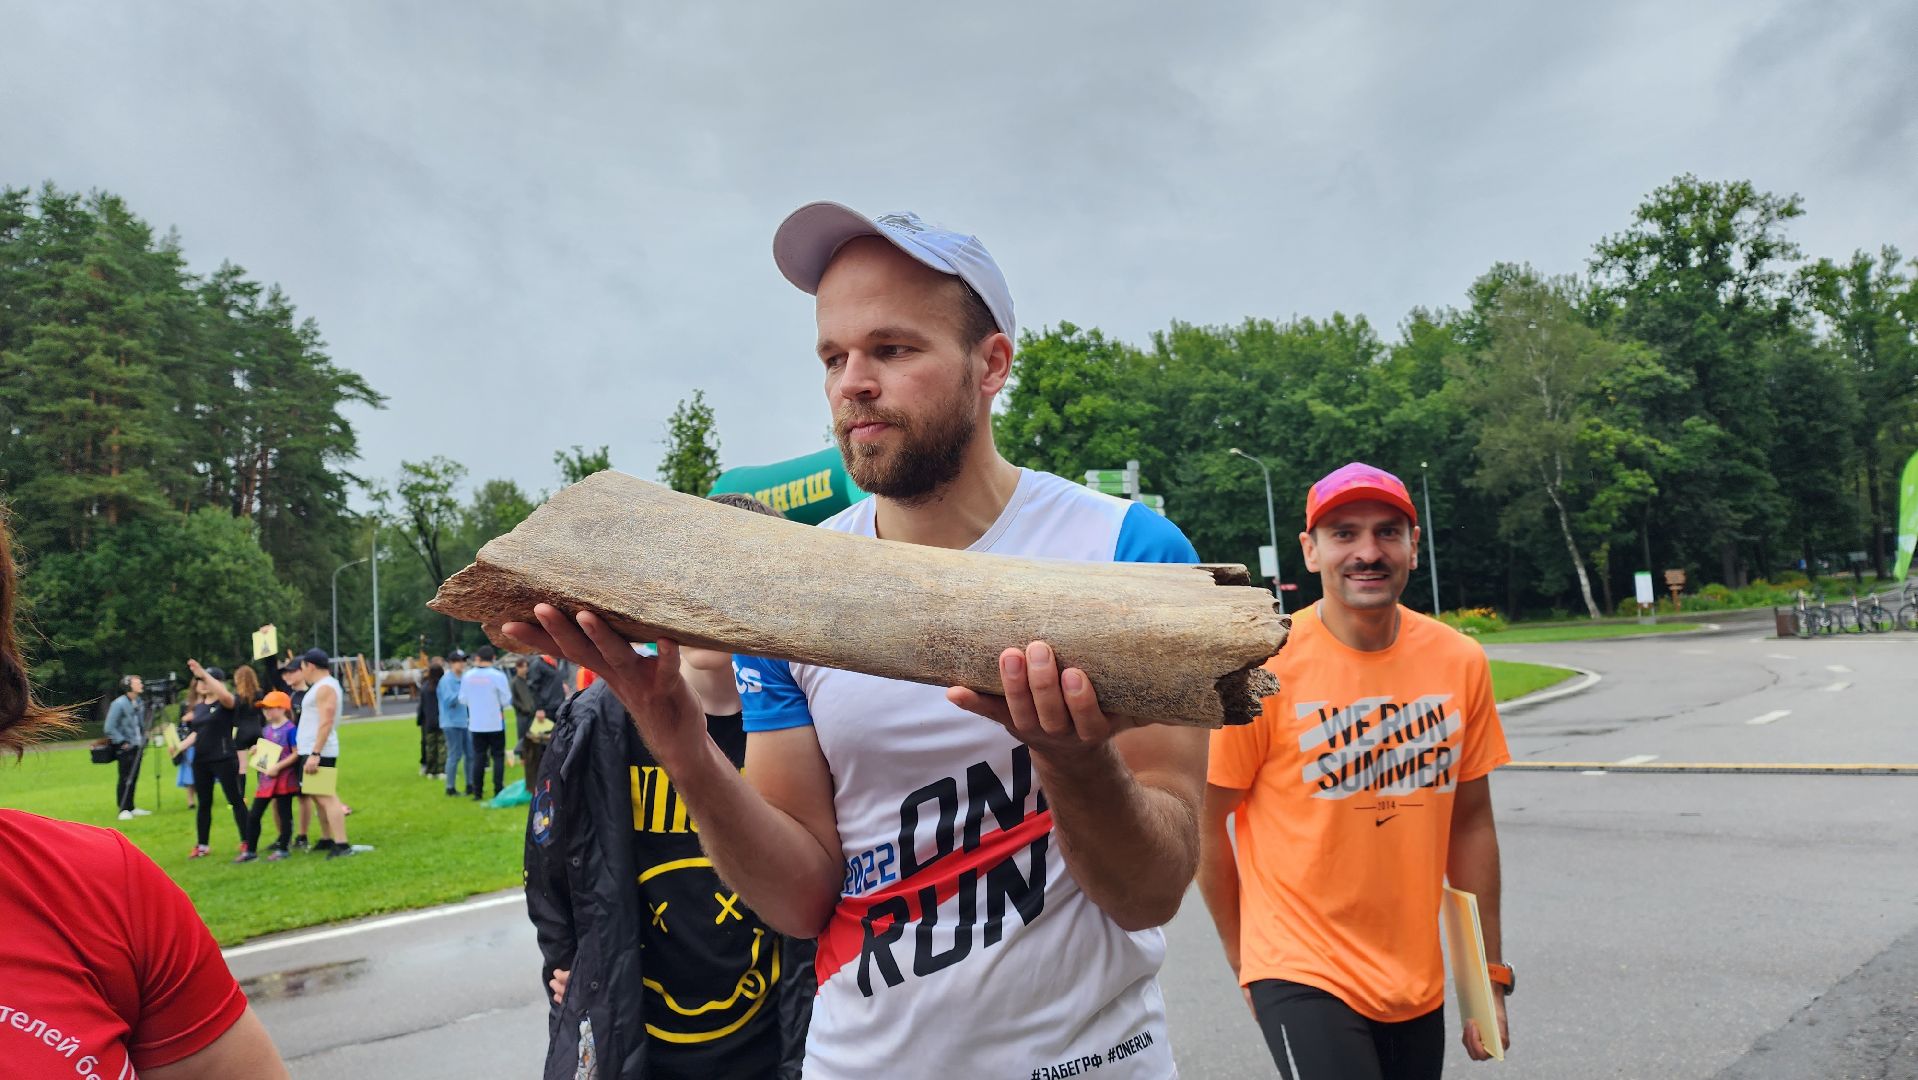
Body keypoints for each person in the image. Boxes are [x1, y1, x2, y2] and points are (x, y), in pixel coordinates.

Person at [507, 204, 1206, 1077]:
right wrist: (679, 739)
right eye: (833, 357)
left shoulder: (1128, 557)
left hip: (1092, 1061)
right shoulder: (787, 592)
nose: (853, 383)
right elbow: (801, 899)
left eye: (893, 349)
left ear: (991, 365)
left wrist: (1071, 759)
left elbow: (1150, 892)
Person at [1197, 463, 1514, 1080]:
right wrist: (1247, 959)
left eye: (1387, 532)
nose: (1368, 552)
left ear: (1413, 547)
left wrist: (1487, 980)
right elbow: (1207, 824)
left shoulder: (1459, 661)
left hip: (1413, 978)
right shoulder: (1264, 665)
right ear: (1310, 551)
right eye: (1344, 533)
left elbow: (1471, 827)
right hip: (1299, 968)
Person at [528, 494, 807, 1080]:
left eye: (739, 581)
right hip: (636, 1039)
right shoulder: (599, 719)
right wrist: (576, 963)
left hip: (772, 1037)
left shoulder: (804, 722)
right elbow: (553, 864)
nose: (711, 604)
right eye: (697, 578)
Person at [0, 515, 291, 1078]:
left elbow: (227, 706)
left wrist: (207, 678)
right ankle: (213, 844)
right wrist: (181, 741)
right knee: (211, 809)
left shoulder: (101, 886)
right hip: (201, 763)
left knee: (247, 807)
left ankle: (255, 845)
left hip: (230, 763)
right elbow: (196, 724)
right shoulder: (197, 707)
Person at [178, 661, 254, 859]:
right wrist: (180, 746)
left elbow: (227, 696)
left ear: (216, 682)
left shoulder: (226, 703)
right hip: (201, 761)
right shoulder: (200, 707)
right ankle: (202, 845)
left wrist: (203, 673)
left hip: (224, 758)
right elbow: (198, 732)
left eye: (205, 680)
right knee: (204, 803)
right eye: (199, 681)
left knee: (235, 799)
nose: (201, 684)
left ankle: (247, 841)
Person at [294, 649, 354, 859]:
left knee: (327, 797)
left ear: (309, 666)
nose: (302, 672)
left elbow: (326, 721)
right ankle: (327, 838)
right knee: (319, 798)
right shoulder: (321, 686)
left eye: (302, 668)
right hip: (311, 749)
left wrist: (315, 753)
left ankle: (342, 844)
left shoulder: (326, 687)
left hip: (319, 750)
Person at [240, 690, 301, 863]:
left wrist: (279, 767)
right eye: (264, 708)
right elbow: (266, 749)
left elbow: (296, 753)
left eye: (270, 708)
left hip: (284, 780)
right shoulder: (265, 729)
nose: (266, 712)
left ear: (282, 709)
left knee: (284, 814)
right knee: (254, 815)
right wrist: (256, 750)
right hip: (267, 781)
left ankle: (283, 849)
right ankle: (250, 851)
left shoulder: (291, 730)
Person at [459, 645, 512, 800]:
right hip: (495, 722)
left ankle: (477, 792)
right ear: (494, 658)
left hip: (476, 723)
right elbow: (506, 700)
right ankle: (498, 789)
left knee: (479, 757)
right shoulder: (498, 676)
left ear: (478, 658)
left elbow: (462, 699)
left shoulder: (468, 676)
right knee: (498, 757)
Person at [104, 674, 150, 820]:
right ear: (129, 686)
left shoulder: (139, 702)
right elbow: (109, 727)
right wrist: (122, 742)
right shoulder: (118, 704)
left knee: (133, 777)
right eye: (138, 683)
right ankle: (123, 808)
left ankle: (131, 807)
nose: (141, 684)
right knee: (125, 777)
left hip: (137, 745)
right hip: (125, 747)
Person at [523, 652, 567, 784]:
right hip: (546, 709)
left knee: (556, 742)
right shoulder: (538, 663)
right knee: (543, 745)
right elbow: (532, 687)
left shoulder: (554, 662)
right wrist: (539, 708)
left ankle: (554, 774)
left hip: (557, 707)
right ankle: (542, 777)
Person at [438, 650, 472, 797]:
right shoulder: (446, 680)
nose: (462, 663)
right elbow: (448, 701)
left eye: (464, 660)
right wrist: (462, 691)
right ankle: (450, 787)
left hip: (464, 721)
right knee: (455, 755)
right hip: (451, 723)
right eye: (458, 661)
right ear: (451, 663)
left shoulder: (465, 678)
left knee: (470, 755)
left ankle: (470, 784)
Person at [418, 662, 446, 780]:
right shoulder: (443, 687)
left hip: (428, 721)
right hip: (442, 719)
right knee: (442, 746)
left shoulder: (425, 688)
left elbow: (421, 706)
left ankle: (430, 770)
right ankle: (441, 770)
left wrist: (420, 720)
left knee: (430, 747)